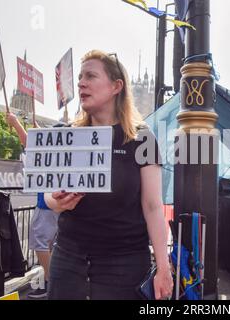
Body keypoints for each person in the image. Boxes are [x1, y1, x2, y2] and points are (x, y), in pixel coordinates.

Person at [44, 50, 174, 300]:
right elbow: (48, 196)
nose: (81, 82)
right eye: (81, 76)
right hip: (68, 261)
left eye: (91, 76)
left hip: (124, 266)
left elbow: (152, 206)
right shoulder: (67, 134)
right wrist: (57, 202)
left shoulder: (142, 139)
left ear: (116, 86)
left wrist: (163, 267)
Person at [5, 112, 58, 299]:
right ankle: (52, 282)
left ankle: (52, 284)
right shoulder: (61, 152)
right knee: (50, 245)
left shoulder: (46, 153)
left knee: (40, 243)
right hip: (58, 204)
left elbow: (28, 142)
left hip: (47, 204)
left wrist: (15, 122)